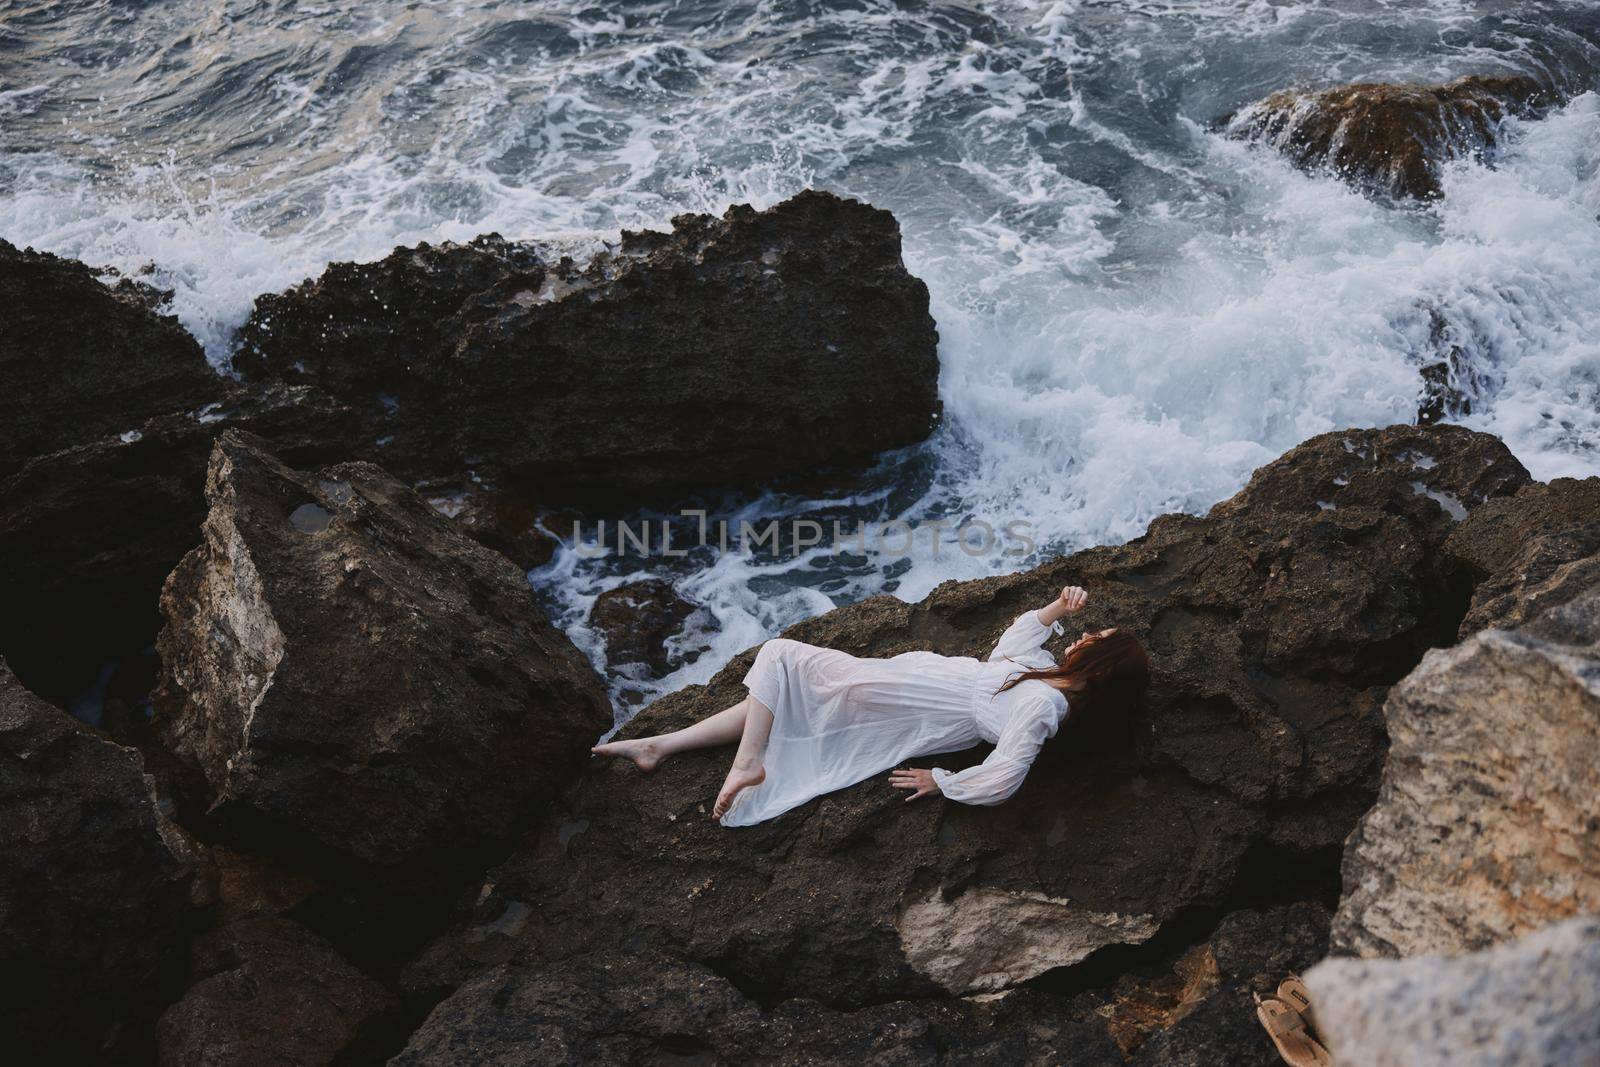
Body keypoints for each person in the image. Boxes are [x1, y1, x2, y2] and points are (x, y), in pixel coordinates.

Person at [592, 585, 1150, 826]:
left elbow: (1006, 773)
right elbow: (1009, 649)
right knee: (787, 697)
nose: (1084, 637)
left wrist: (943, 781)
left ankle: (747, 763)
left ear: (1100, 665)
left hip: (920, 701)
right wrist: (1054, 608)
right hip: (922, 689)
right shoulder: (1049, 682)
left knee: (781, 655)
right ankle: (660, 745)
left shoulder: (1046, 709)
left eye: (1095, 640)